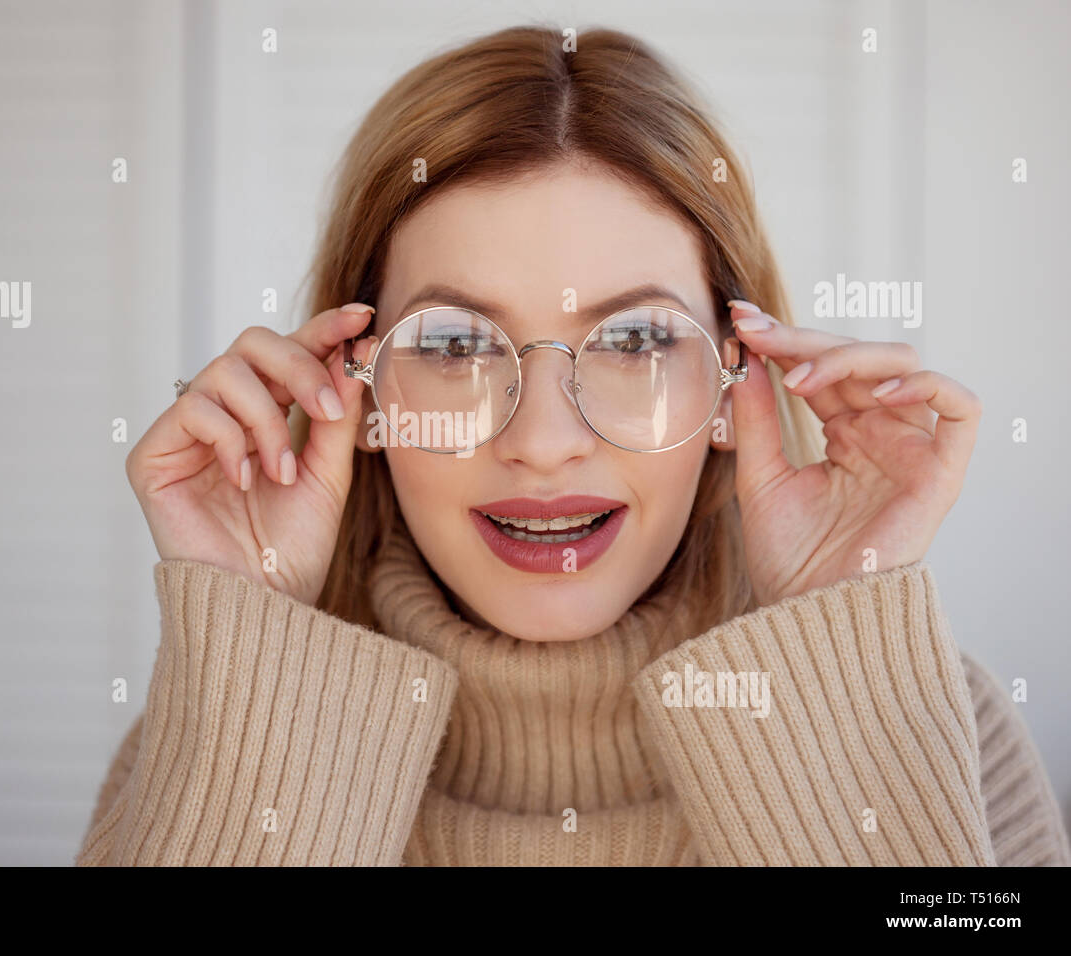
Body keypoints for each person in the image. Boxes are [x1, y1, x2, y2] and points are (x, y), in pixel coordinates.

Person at [75, 25, 1069, 866]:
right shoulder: (207, 729)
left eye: (634, 339)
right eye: (456, 343)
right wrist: (256, 653)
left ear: (737, 379)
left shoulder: (945, 724)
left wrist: (827, 665)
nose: (543, 442)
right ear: (356, 389)